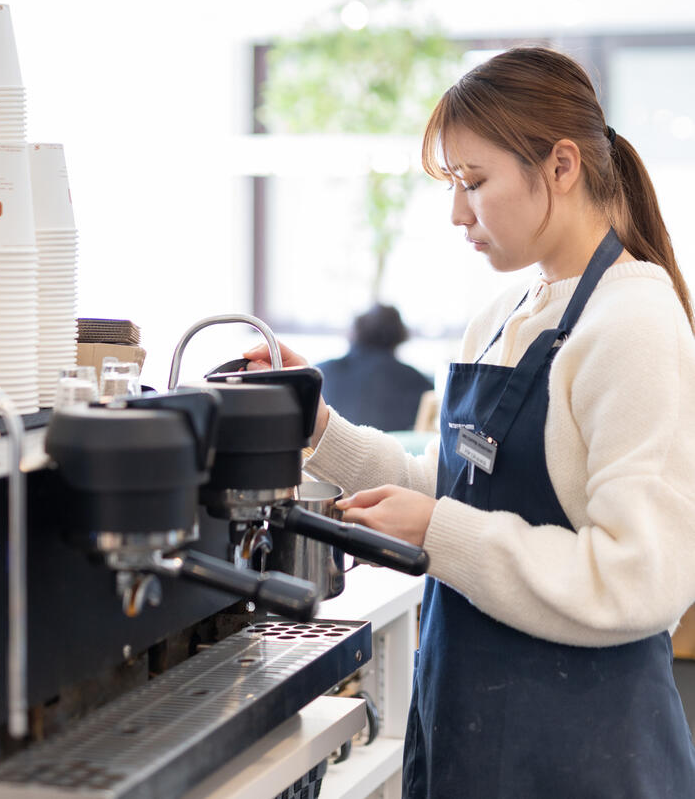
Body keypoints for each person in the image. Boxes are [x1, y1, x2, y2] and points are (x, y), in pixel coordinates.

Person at [244, 47, 695, 798]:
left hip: (583, 759)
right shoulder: (506, 315)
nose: (458, 212)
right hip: (469, 736)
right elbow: (454, 491)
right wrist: (317, 427)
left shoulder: (635, 325)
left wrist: (437, 531)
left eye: (474, 182)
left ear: (561, 165)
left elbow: (639, 577)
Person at [315, 303, 433, 431]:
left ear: (355, 332)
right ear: (399, 335)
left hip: (326, 449)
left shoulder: (320, 374)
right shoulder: (418, 382)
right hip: (391, 450)